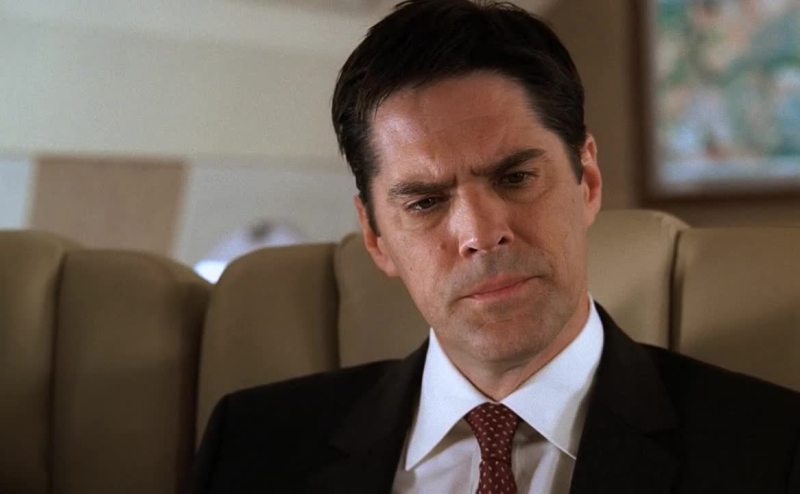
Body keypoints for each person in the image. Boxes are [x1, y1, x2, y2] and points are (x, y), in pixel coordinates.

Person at [192, 1, 800, 492]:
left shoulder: (771, 448)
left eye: (515, 178)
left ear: (587, 181)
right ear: (376, 237)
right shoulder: (254, 446)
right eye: (425, 202)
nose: (481, 234)